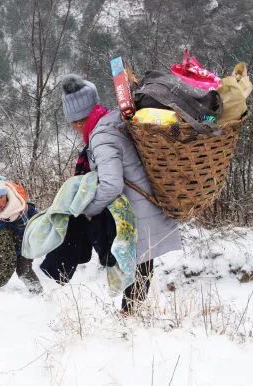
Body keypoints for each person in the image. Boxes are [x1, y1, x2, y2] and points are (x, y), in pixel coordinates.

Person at [47, 74, 181, 313]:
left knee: (138, 265)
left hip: (137, 209)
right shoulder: (113, 121)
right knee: (141, 265)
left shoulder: (101, 137)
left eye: (73, 124)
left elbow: (110, 185)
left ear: (77, 120)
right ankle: (130, 313)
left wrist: (88, 209)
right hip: (144, 204)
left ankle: (129, 316)